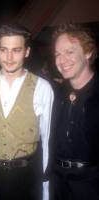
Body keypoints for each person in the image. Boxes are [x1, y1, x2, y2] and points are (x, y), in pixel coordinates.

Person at [0, 23, 54, 200]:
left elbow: (47, 139)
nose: (9, 57)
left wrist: (46, 188)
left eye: (16, 50)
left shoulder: (42, 87)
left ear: (27, 51)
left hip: (27, 175)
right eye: (4, 50)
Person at [49, 23, 99, 200]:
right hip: (58, 181)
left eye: (69, 52)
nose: (61, 61)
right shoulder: (56, 94)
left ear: (88, 52)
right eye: (57, 54)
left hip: (91, 184)